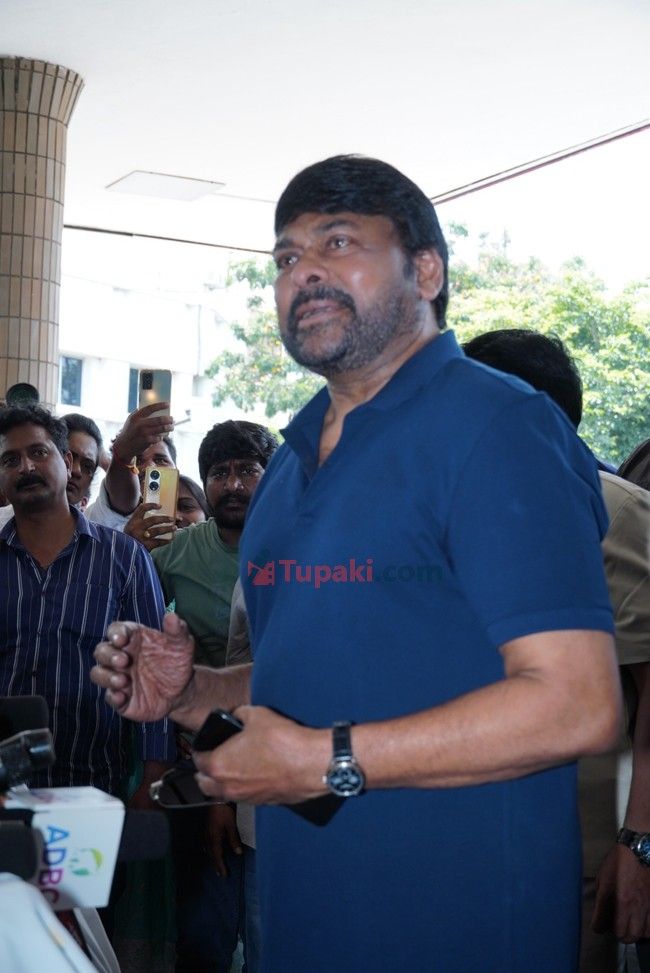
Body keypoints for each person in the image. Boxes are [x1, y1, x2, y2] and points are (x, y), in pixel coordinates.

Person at [93, 155, 621, 972]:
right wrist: (193, 691)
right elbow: (307, 677)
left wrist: (324, 762)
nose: (303, 271)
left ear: (426, 270)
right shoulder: (292, 461)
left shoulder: (497, 427)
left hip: (462, 926)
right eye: (286, 256)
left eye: (337, 242)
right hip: (301, 916)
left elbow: (579, 703)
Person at [463, 328, 650, 972]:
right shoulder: (464, 507)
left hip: (574, 849)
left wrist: (640, 844)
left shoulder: (615, 513)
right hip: (471, 836)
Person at [150, 420, 277, 973]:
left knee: (271, 933)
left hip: (278, 759)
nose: (233, 484)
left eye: (247, 470)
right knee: (203, 934)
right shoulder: (177, 553)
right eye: (219, 473)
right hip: (196, 762)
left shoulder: (303, 550)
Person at [0, 405, 174, 797]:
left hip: (94, 786)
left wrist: (154, 776)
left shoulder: (125, 558)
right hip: (3, 787)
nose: (26, 467)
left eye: (38, 452)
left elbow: (152, 671)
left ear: (67, 462)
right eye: (10, 460)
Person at [85, 401, 176, 531]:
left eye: (161, 460)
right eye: (137, 461)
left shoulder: (191, 520)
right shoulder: (101, 514)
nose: (149, 466)